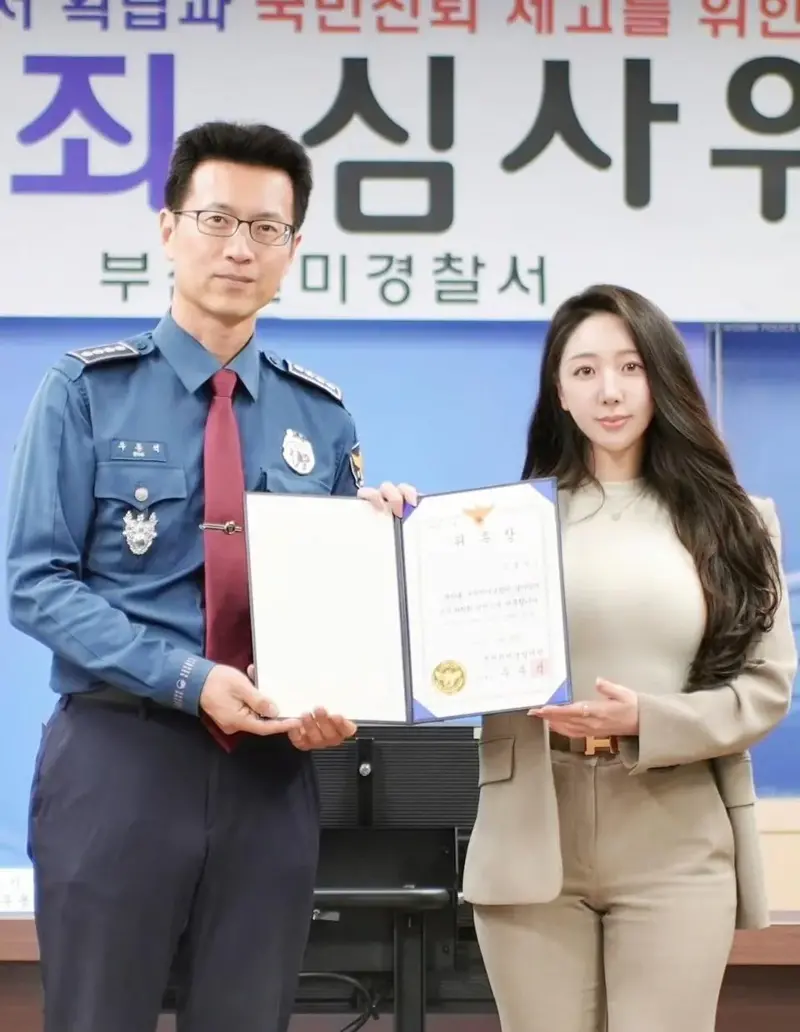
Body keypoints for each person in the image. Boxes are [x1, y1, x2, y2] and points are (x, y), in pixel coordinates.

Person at [6, 120, 416, 1032]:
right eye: (217, 219)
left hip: (269, 775)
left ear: (293, 250)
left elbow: (332, 606)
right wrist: (190, 679)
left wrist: (386, 558)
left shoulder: (323, 418)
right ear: (168, 229)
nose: (240, 248)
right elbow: (36, 582)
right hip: (120, 757)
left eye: (266, 228)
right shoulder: (85, 391)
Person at [462, 284, 797, 1032]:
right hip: (532, 827)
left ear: (661, 377)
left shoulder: (738, 523)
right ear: (559, 391)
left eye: (630, 366)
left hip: (674, 830)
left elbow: (766, 689)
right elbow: (435, 653)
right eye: (584, 371)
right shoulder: (500, 525)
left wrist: (647, 717)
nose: (608, 390)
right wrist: (396, 534)